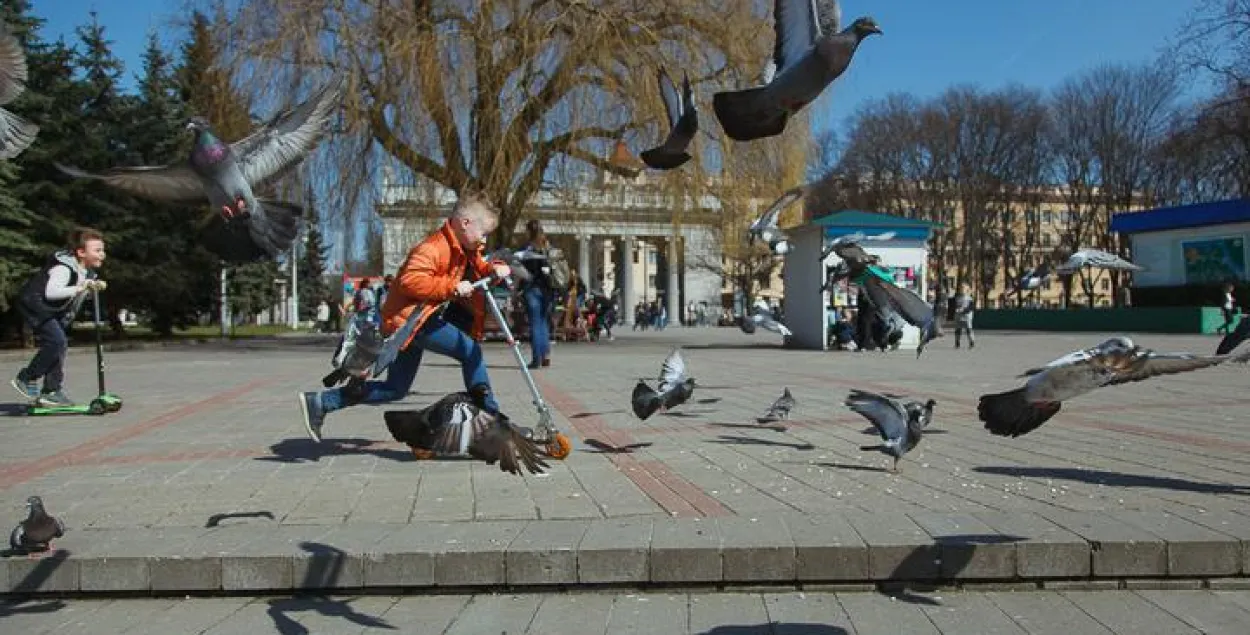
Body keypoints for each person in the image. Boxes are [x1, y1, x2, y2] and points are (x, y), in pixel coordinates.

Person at [297, 192, 510, 443]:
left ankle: (321, 402)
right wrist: (452, 286)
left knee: (394, 389)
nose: (484, 240)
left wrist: (495, 267)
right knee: (470, 351)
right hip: (410, 322)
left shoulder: (463, 247)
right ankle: (489, 417)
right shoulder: (432, 248)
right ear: (465, 223)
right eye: (483, 233)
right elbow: (411, 281)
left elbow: (479, 265)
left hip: (413, 324)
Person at [11, 228, 108, 407]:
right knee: (57, 342)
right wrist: (81, 288)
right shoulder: (64, 267)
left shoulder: (86, 272)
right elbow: (52, 292)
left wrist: (90, 288)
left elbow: (74, 296)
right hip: (35, 304)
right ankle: (26, 377)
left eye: (102, 250)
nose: (102, 254)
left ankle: (52, 390)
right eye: (97, 250)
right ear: (81, 252)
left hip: (50, 310)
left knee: (59, 345)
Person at [517, 219, 554, 369]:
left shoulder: (526, 250)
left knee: (536, 324)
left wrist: (515, 290)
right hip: (547, 289)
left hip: (532, 288)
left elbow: (520, 271)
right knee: (544, 322)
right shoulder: (547, 247)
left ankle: (536, 359)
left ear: (528, 231)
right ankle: (545, 356)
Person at [954, 285, 976, 349]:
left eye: (963, 289)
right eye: (961, 288)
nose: (962, 290)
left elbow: (971, 307)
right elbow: (954, 306)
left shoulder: (969, 298)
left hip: (967, 316)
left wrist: (963, 310)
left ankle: (971, 342)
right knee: (958, 329)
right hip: (958, 316)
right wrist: (956, 310)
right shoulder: (957, 297)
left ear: (967, 290)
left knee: (968, 329)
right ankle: (957, 342)